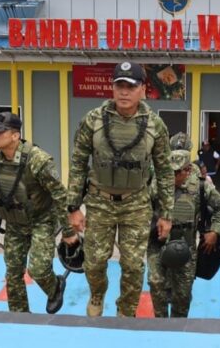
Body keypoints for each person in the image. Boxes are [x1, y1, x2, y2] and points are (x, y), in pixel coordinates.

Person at [66, 61, 174, 318]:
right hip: (99, 201)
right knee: (94, 262)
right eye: (119, 86)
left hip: (136, 203)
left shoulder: (155, 125)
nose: (124, 92)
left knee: (133, 266)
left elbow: (165, 171)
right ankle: (96, 295)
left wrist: (166, 214)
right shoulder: (92, 120)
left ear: (143, 89)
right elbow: (78, 164)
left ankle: (126, 311)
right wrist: (73, 208)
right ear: (112, 88)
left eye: (131, 86)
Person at [0, 111, 76, 314]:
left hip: (41, 220)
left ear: (15, 135)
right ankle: (20, 316)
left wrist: (68, 231)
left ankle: (55, 287)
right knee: (13, 272)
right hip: (15, 222)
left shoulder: (38, 160)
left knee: (39, 270)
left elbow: (60, 195)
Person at [147, 149, 220, 318]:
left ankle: (178, 325)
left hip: (186, 246)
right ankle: (160, 323)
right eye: (171, 172)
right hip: (158, 243)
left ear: (188, 170)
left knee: (182, 295)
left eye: (178, 172)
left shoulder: (200, 186)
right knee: (156, 282)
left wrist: (214, 231)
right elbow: (141, 207)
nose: (173, 176)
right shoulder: (157, 184)